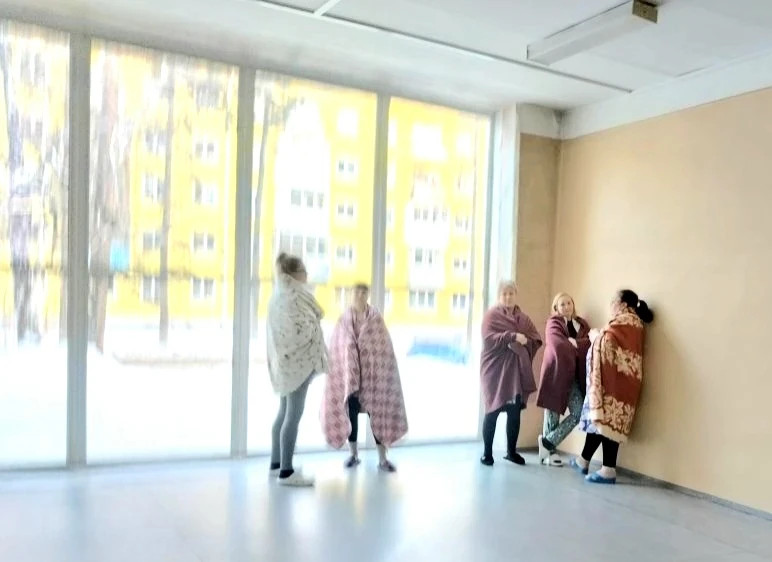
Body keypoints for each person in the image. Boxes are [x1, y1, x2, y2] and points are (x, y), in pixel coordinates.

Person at [322, 284, 408, 472]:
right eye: (357, 292)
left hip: (373, 378)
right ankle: (353, 455)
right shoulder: (344, 320)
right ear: (351, 294)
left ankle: (383, 459)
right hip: (351, 378)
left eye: (364, 292)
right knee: (351, 415)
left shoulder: (375, 319)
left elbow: (382, 346)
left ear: (368, 295)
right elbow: (337, 347)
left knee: (378, 415)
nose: (360, 295)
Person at [572, 289, 654, 484]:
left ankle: (608, 469)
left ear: (623, 304)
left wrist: (595, 336)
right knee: (603, 422)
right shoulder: (634, 322)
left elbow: (607, 343)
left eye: (613, 302)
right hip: (622, 380)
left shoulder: (626, 321)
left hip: (617, 381)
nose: (611, 306)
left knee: (609, 422)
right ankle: (583, 460)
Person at [267, 253, 328, 487]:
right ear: (293, 274)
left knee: (283, 413)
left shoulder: (279, 295)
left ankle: (276, 464)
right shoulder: (295, 296)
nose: (306, 275)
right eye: (303, 271)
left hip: (285, 364)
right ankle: (287, 472)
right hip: (297, 365)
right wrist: (314, 332)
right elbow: (303, 328)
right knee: (293, 416)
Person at [480, 281, 542, 466]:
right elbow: (488, 339)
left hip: (515, 372)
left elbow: (536, 338)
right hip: (494, 371)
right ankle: (487, 453)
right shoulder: (491, 315)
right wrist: (512, 336)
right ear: (499, 296)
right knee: (492, 410)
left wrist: (524, 343)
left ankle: (511, 452)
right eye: (504, 293)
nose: (508, 297)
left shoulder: (523, 318)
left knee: (514, 413)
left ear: (516, 295)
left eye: (511, 293)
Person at [536, 293, 591, 467]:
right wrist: (577, 345)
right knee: (552, 413)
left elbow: (589, 344)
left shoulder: (582, 324)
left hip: (574, 376)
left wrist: (576, 344)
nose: (566, 307)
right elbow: (557, 345)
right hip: (556, 373)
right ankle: (549, 454)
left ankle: (547, 443)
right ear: (556, 308)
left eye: (569, 303)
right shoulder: (553, 323)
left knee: (578, 413)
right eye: (562, 304)